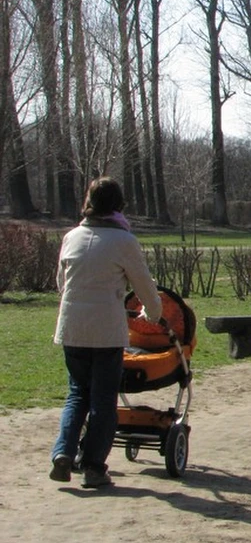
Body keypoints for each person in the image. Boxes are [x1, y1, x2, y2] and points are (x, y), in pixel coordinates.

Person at [50, 177, 163, 489]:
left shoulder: (71, 237)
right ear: (119, 204)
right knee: (103, 399)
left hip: (72, 327)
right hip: (106, 331)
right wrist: (153, 314)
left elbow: (62, 283)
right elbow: (144, 285)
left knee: (77, 394)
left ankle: (63, 452)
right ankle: (94, 466)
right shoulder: (123, 241)